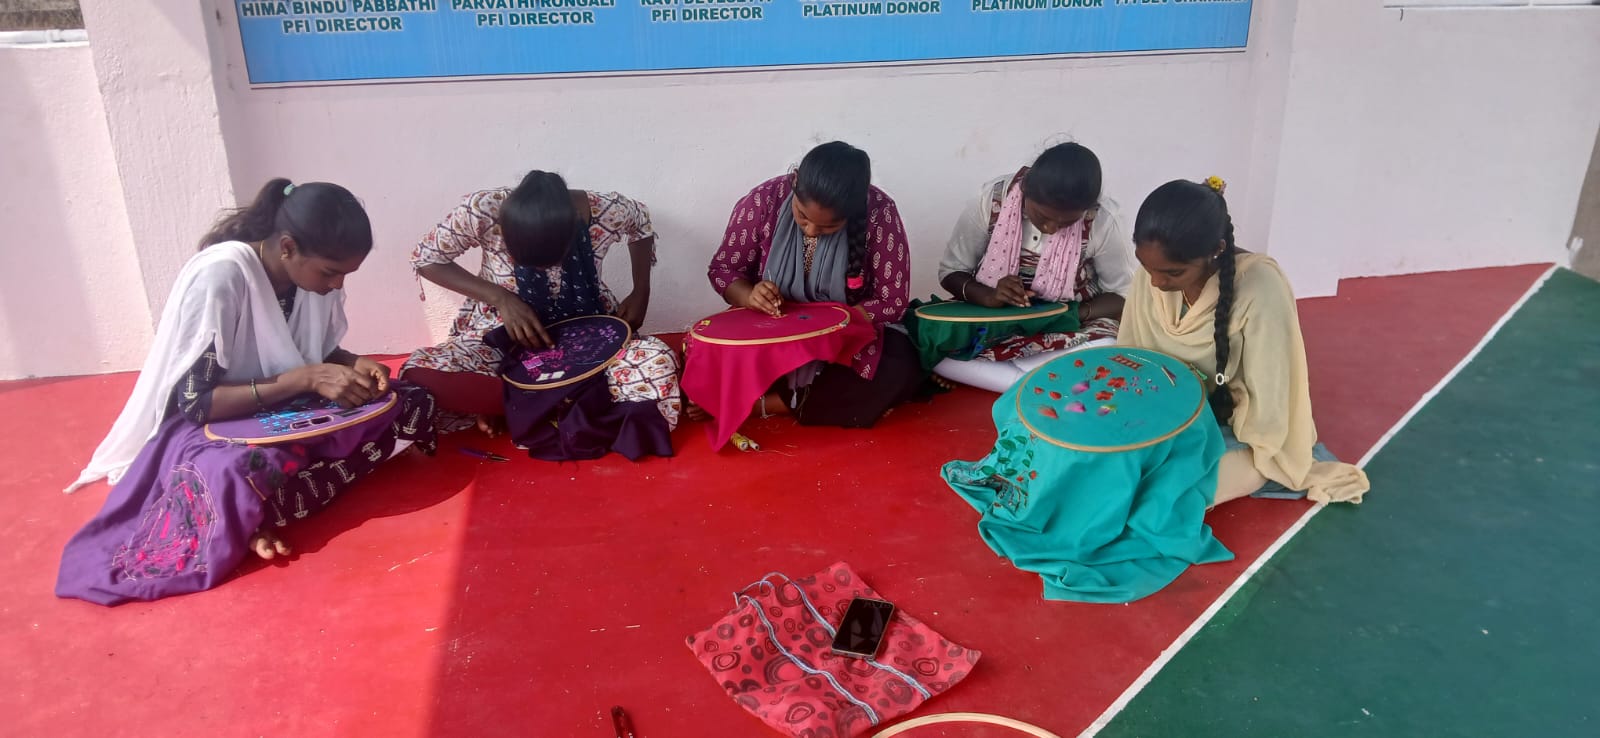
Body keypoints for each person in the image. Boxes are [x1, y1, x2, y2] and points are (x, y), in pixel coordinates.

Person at [58, 179, 438, 605]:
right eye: (330, 273)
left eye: (344, 275)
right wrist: (306, 379)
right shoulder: (221, 276)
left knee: (411, 401)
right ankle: (254, 506)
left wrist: (352, 363)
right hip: (213, 424)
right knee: (234, 471)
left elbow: (311, 349)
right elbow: (196, 403)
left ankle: (255, 509)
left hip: (290, 407)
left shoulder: (311, 280)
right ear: (288, 247)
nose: (336, 286)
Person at [1119, 177, 1369, 505]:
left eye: (1173, 273)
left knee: (1163, 498)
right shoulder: (1155, 270)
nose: (1155, 282)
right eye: (1146, 267)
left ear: (1216, 250)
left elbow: (1269, 403)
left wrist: (1203, 428)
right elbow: (1134, 354)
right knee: (1107, 477)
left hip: (1240, 429)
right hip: (1168, 412)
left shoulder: (1261, 287)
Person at [399, 171, 680, 437]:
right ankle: (562, 404)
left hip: (591, 334)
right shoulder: (484, 209)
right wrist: (501, 299)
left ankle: (518, 406)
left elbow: (641, 223)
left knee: (656, 361)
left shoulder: (606, 209)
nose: (542, 270)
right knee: (420, 372)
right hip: (503, 336)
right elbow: (426, 258)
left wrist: (641, 290)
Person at [701, 141, 919, 428]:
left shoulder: (879, 211)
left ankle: (768, 403)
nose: (812, 231)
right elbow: (724, 269)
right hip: (771, 329)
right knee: (702, 355)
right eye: (802, 216)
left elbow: (892, 300)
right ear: (794, 182)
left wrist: (831, 326)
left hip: (842, 337)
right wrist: (749, 295)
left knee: (898, 365)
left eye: (829, 227)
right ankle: (793, 397)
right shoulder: (764, 200)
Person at [932, 142, 1135, 392]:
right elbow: (951, 271)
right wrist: (989, 296)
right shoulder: (992, 200)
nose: (1051, 229)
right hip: (994, 323)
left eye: (1067, 222)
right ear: (1025, 189)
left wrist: (1069, 314)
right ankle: (1041, 382)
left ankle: (1013, 381)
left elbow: (1123, 294)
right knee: (931, 345)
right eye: (1043, 216)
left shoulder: (1103, 220)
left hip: (1070, 328)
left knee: (1106, 345)